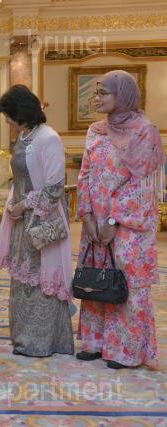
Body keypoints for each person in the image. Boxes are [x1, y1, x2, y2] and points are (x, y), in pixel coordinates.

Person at [76, 70, 163, 369]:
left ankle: (125, 350)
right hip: (95, 223)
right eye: (96, 92)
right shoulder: (96, 131)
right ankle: (95, 342)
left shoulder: (144, 132)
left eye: (104, 93)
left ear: (123, 95)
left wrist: (114, 222)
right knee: (97, 278)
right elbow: (85, 174)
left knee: (125, 282)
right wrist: (87, 215)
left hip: (127, 227)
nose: (96, 98)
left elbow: (142, 187)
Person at [0, 84, 74, 358]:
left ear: (22, 112)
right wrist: (15, 207)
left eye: (8, 115)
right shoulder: (24, 135)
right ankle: (23, 338)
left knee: (40, 278)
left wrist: (24, 205)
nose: (7, 121)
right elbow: (20, 180)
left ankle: (41, 342)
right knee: (23, 277)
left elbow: (54, 188)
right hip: (21, 217)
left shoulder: (48, 138)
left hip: (42, 218)